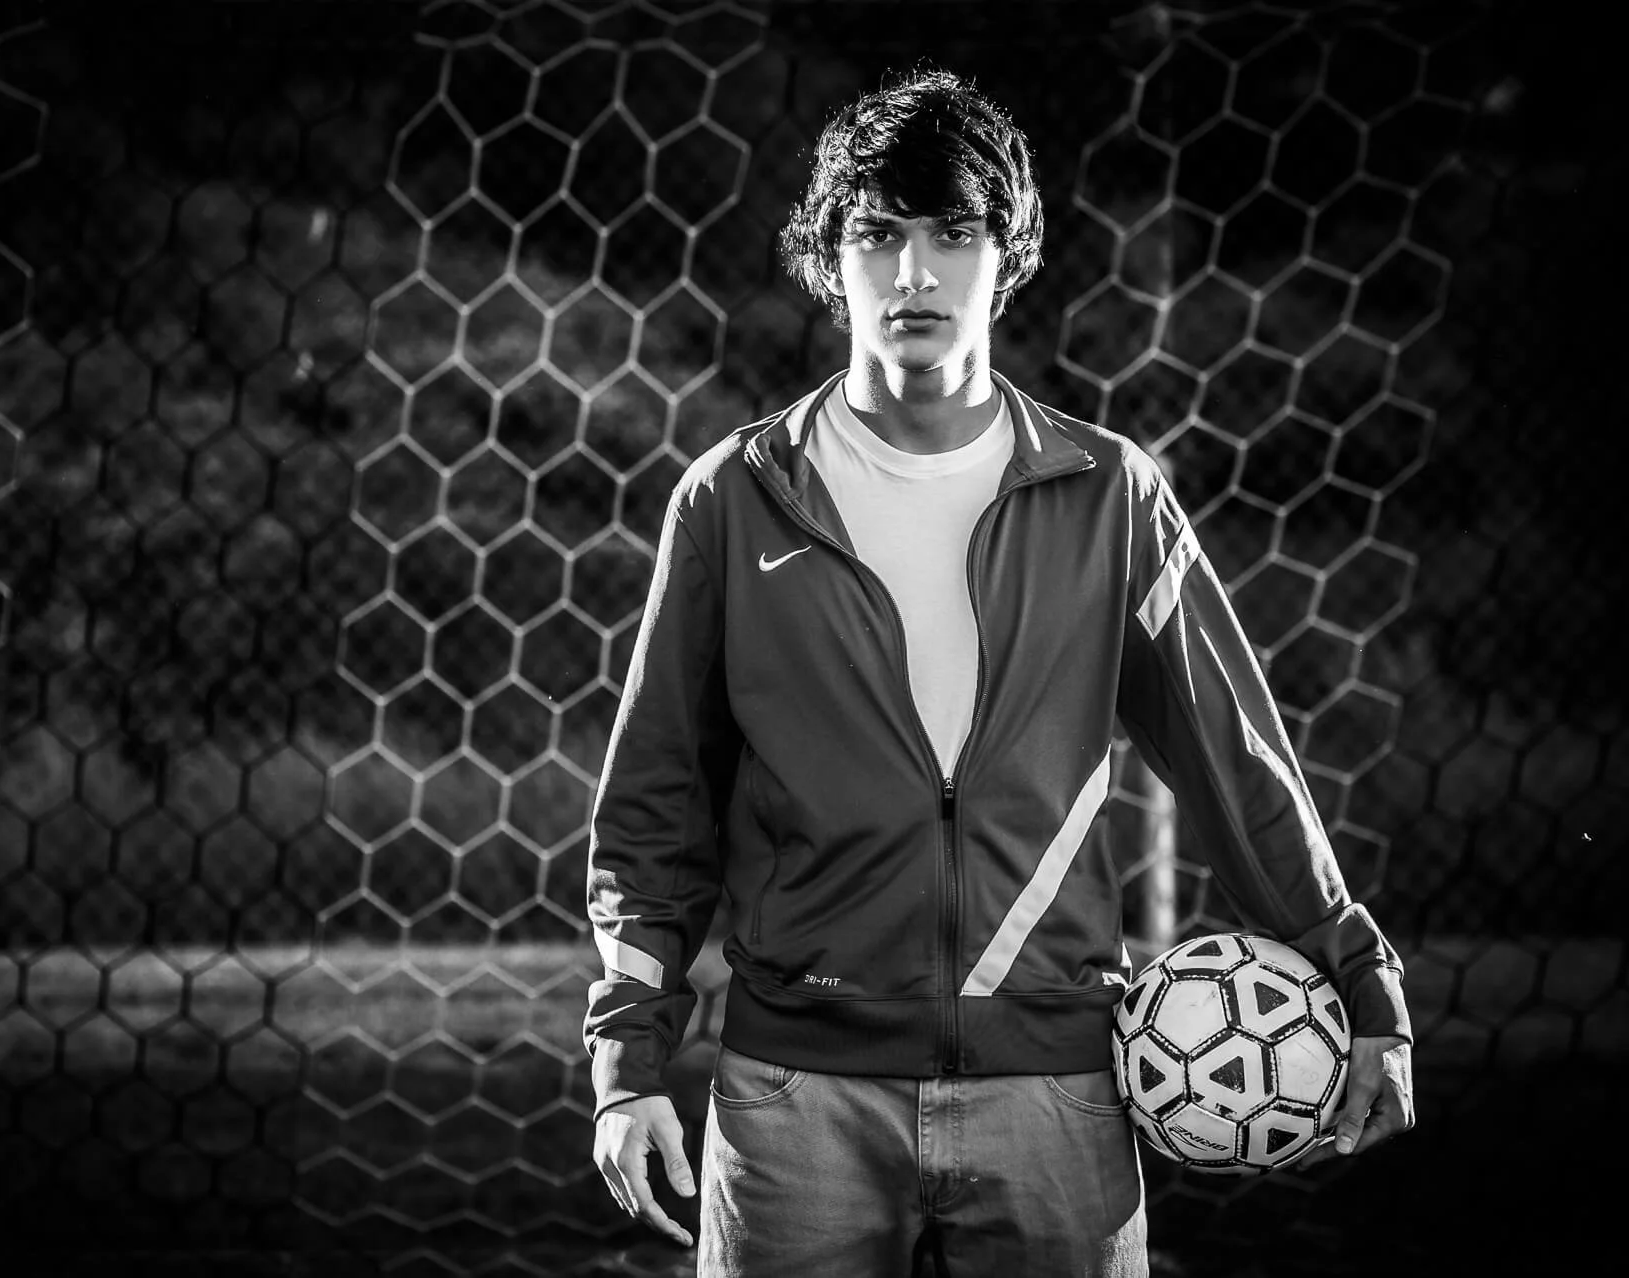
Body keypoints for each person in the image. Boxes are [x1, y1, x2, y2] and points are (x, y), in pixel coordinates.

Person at [582, 67, 1414, 1276]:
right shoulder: (734, 498)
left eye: (953, 234)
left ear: (1007, 256)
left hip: (1056, 1091)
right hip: (795, 1094)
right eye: (878, 235)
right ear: (829, 259)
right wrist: (625, 1064)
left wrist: (1360, 978)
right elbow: (654, 806)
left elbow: (1239, 766)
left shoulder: (1109, 495)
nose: (914, 275)